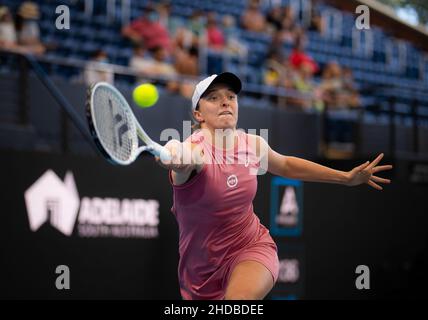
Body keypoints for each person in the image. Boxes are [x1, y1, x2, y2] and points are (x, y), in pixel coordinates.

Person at [156, 72, 393, 300]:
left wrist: (345, 177)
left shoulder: (252, 144)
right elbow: (186, 156)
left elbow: (287, 166)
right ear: (198, 114)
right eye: (214, 98)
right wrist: (175, 153)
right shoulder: (195, 149)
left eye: (230, 97)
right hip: (199, 272)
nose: (225, 102)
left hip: (250, 247)